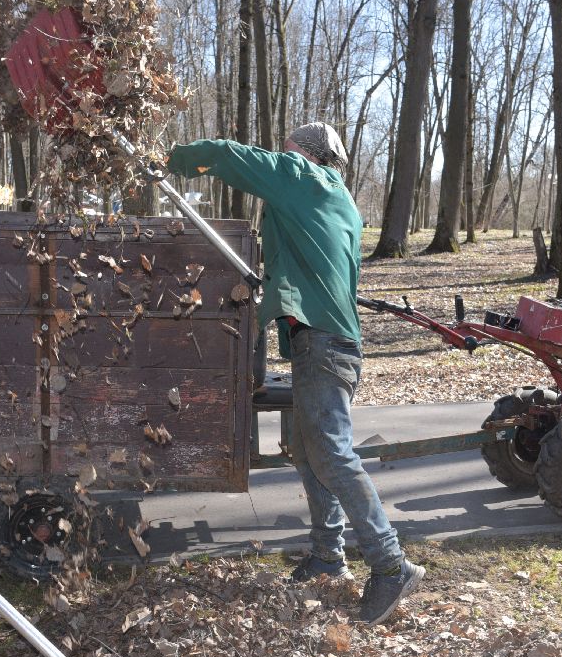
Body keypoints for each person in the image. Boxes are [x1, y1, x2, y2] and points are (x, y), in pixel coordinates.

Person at [164, 122, 425, 624]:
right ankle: (328, 555)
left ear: (306, 153)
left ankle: (391, 565)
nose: (282, 157)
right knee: (309, 450)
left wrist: (172, 160)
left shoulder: (304, 177)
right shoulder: (340, 200)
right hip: (330, 343)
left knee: (331, 451)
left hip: (325, 344)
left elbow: (225, 154)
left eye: (288, 150)